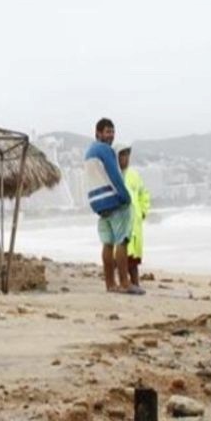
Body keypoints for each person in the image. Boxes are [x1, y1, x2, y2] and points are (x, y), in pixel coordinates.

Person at [84, 118, 140, 294]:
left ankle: (110, 284)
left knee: (107, 244)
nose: (111, 135)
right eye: (107, 131)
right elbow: (114, 175)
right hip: (113, 201)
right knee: (121, 241)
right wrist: (126, 198)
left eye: (112, 131)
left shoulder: (89, 152)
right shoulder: (105, 150)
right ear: (98, 133)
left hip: (98, 204)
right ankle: (124, 283)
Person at [116, 143, 151, 290]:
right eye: (122, 155)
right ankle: (125, 283)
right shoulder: (114, 175)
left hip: (135, 222)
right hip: (121, 221)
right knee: (123, 255)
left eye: (127, 155)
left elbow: (144, 193)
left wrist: (143, 210)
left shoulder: (134, 175)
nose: (125, 158)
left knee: (135, 259)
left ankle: (136, 283)